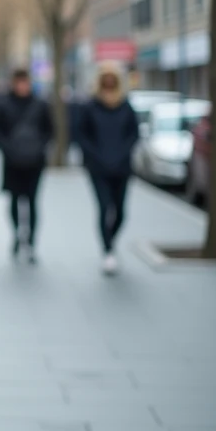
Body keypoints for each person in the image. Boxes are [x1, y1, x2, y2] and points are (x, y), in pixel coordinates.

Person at [74, 63, 139, 275]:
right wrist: (96, 156)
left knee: (120, 212)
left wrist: (122, 153)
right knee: (104, 208)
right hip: (98, 168)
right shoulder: (91, 107)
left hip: (121, 168)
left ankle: (111, 238)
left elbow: (134, 135)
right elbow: (82, 135)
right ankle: (108, 250)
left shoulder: (126, 106)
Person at [0, 68, 53, 263]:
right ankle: (18, 234)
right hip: (12, 162)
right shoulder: (4, 104)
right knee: (15, 201)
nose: (22, 86)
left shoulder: (40, 104)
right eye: (19, 82)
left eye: (24, 82)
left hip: (34, 163)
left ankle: (32, 242)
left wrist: (39, 148)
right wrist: (7, 149)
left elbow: (50, 130)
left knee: (33, 202)